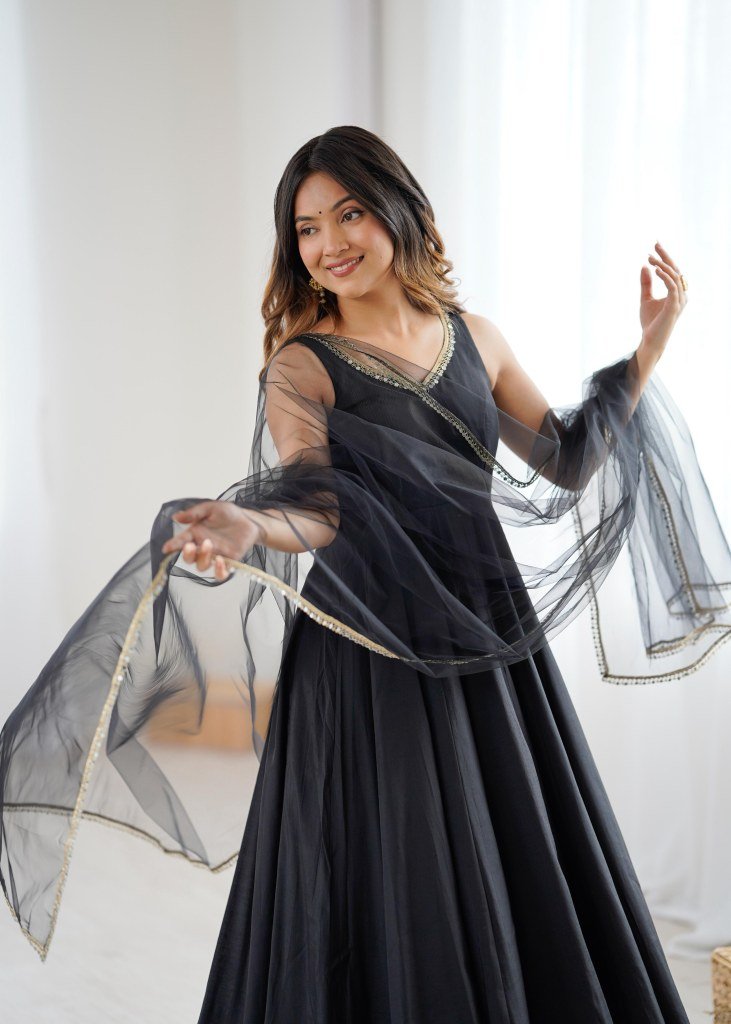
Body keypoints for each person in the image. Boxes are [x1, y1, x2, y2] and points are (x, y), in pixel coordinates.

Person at [2, 125, 723, 1024]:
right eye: (306, 228)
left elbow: (567, 461)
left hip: (484, 627)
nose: (329, 243)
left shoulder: (475, 339)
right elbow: (318, 506)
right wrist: (248, 524)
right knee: (395, 854)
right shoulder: (302, 365)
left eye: (348, 214)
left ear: (399, 211)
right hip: (366, 641)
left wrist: (649, 345)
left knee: (511, 838)